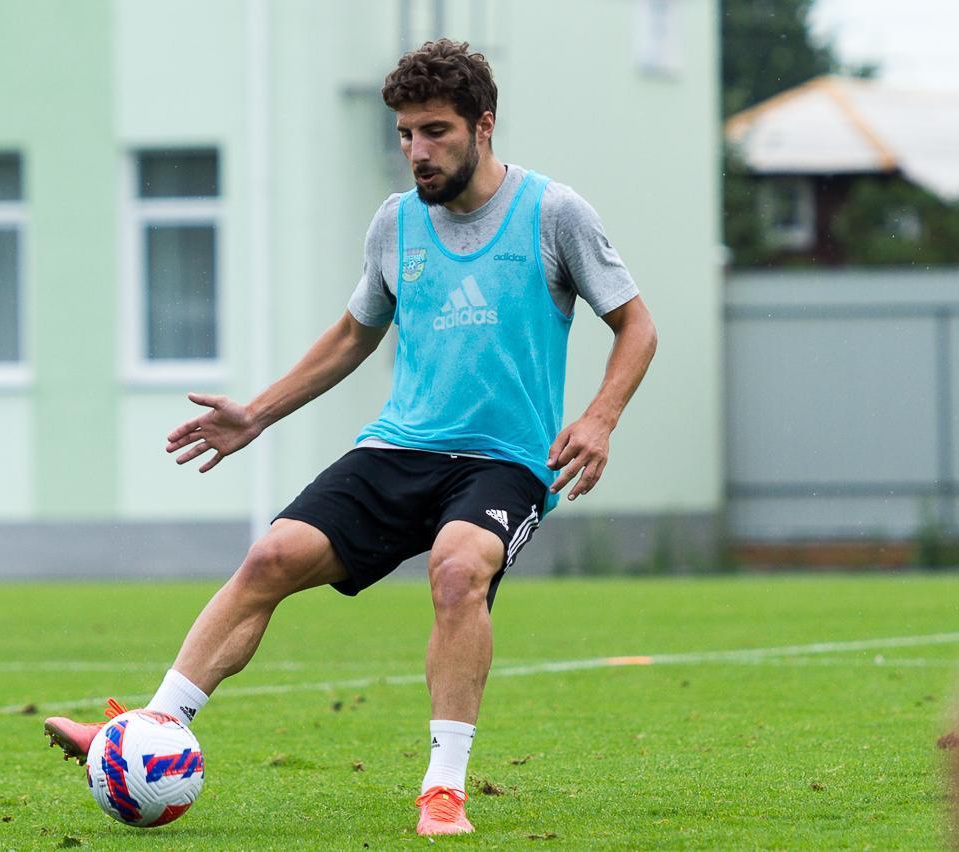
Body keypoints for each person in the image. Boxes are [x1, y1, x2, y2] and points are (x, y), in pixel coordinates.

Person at [45, 38, 658, 836]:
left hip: (504, 462)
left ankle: (443, 789)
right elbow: (351, 336)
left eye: (435, 131)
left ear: (484, 124)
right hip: (400, 447)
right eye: (405, 134)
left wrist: (600, 418)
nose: (417, 151)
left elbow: (637, 325)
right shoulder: (396, 223)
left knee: (457, 571)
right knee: (270, 558)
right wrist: (256, 414)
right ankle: (149, 729)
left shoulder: (553, 213)